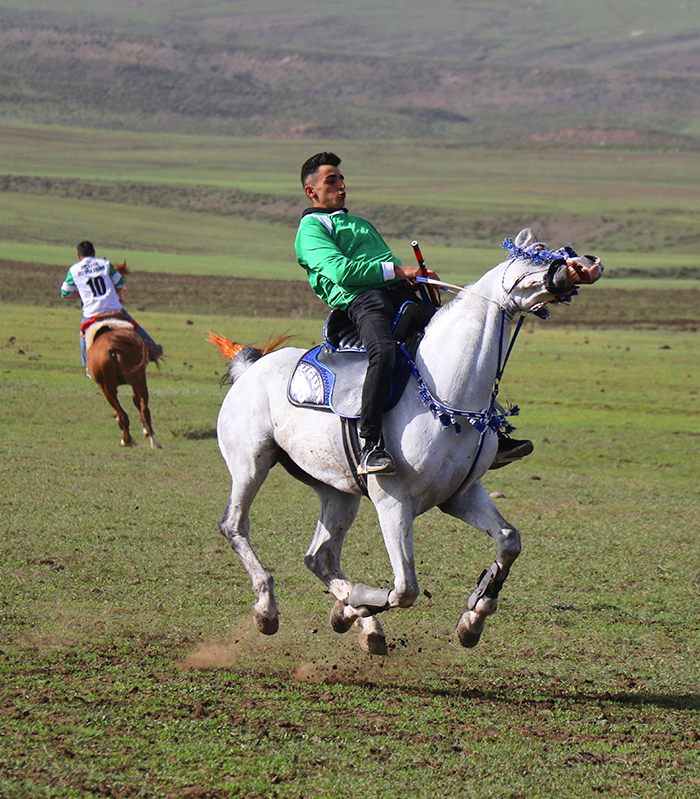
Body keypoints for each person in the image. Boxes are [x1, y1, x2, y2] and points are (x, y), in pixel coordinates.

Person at [295, 152, 533, 475]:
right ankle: (371, 445)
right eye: (331, 181)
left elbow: (388, 269)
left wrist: (416, 277)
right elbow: (342, 272)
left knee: (461, 347)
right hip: (362, 302)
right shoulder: (310, 230)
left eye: (342, 179)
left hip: (400, 296)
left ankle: (487, 432)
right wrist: (399, 270)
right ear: (311, 192)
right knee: (383, 351)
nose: (342, 186)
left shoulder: (360, 224)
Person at [61, 241, 162, 372]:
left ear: (79, 256)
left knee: (83, 335)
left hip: (92, 314)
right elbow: (120, 284)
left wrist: (82, 295)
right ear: (94, 253)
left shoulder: (73, 270)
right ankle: (154, 349)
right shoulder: (105, 264)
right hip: (114, 310)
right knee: (135, 328)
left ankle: (87, 366)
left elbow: (65, 293)